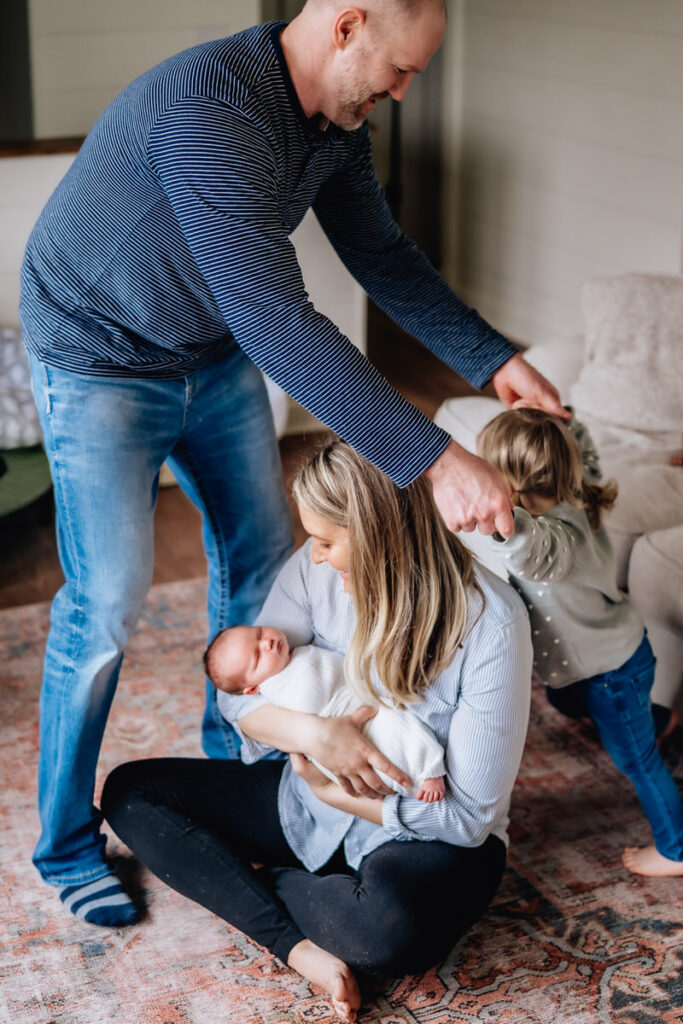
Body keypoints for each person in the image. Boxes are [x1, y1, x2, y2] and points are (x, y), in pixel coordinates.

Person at [21, 0, 563, 925]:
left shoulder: (334, 124)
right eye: (401, 69)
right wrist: (436, 459)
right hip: (99, 357)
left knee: (265, 563)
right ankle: (66, 844)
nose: (403, 89)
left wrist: (492, 358)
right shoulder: (208, 108)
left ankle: (246, 766)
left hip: (211, 347)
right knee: (107, 601)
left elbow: (381, 256)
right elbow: (279, 322)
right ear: (347, 26)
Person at [102, 439, 532, 1019]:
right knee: (131, 792)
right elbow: (240, 695)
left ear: (382, 534)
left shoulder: (492, 622)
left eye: (329, 542)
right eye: (314, 541)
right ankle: (299, 945)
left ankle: (258, 882)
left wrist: (340, 795)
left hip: (420, 834)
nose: (317, 557)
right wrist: (316, 738)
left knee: (389, 934)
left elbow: (470, 819)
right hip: (304, 800)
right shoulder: (313, 569)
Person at [477, 408, 683, 878]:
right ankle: (661, 719)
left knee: (637, 759)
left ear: (509, 486)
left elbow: (528, 548)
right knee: (563, 696)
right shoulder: (577, 487)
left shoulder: (556, 542)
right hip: (612, 655)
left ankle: (676, 848)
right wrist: (559, 416)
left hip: (609, 671)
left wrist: (495, 517)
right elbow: (582, 445)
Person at [205, 624, 447, 801]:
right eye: (257, 657)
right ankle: (426, 775)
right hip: (344, 722)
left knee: (400, 725)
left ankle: (424, 776)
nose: (266, 643)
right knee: (391, 739)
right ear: (253, 688)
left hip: (358, 706)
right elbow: (310, 699)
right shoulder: (277, 687)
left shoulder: (289, 656)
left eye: (258, 634)